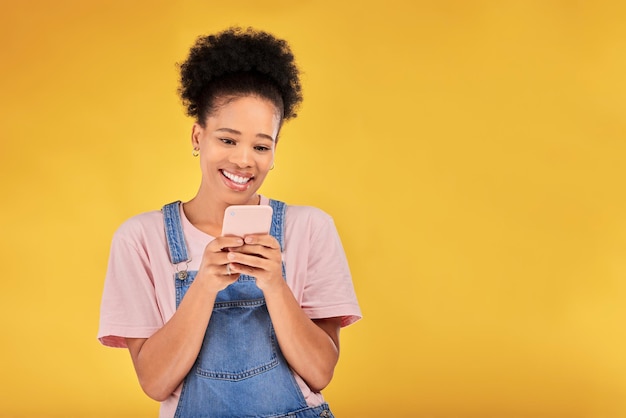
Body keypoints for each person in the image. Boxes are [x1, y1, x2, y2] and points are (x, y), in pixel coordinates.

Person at [98, 27, 362, 418]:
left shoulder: (310, 228)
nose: (243, 160)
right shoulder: (140, 238)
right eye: (227, 140)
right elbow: (155, 383)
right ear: (197, 137)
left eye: (260, 146)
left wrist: (275, 284)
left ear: (274, 153)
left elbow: (320, 372)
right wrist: (203, 285)